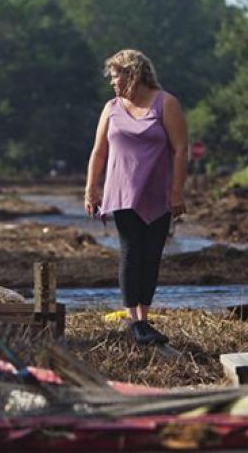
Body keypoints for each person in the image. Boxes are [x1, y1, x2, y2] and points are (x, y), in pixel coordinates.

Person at [84, 49, 188, 345]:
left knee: (151, 255)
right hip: (122, 192)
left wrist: (177, 191)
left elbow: (181, 150)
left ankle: (144, 317)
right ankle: (134, 322)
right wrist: (91, 188)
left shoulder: (166, 103)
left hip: (158, 193)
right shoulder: (111, 107)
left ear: (133, 74)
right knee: (131, 251)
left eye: (115, 76)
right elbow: (99, 151)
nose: (112, 83)